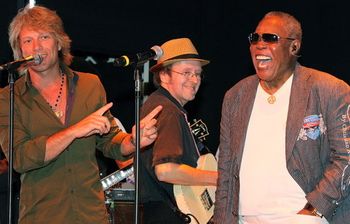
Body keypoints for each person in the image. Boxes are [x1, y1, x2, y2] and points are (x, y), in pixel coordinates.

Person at [0, 5, 162, 224]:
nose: (36, 47)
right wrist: (75, 131)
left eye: (44, 37)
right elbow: (20, 158)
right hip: (42, 216)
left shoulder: (90, 85)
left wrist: (133, 141)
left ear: (58, 42)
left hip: (90, 214)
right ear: (19, 50)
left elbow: (109, 141)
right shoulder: (9, 97)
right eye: (28, 40)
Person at [213, 11, 350, 224]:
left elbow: (346, 158)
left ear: (294, 46)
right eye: (255, 38)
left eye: (270, 38)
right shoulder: (236, 97)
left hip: (301, 218)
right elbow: (226, 169)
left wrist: (314, 210)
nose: (259, 44)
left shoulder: (329, 89)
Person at [139, 37, 218, 224]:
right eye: (186, 72)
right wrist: (219, 178)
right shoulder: (168, 110)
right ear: (164, 75)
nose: (194, 80)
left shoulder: (158, 105)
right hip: (166, 216)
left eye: (198, 74)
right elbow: (166, 171)